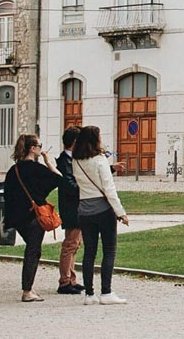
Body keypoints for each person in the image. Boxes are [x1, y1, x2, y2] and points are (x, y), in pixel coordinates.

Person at [69, 125, 130, 305]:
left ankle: (89, 293)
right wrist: (121, 212)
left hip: (84, 208)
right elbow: (108, 188)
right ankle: (106, 292)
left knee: (90, 252)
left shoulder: (76, 161)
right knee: (109, 250)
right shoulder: (100, 159)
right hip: (103, 209)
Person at [2, 134, 65, 302]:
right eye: (39, 145)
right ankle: (27, 290)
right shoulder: (37, 169)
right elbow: (59, 179)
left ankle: (28, 287)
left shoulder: (13, 170)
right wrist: (48, 162)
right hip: (34, 216)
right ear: (32, 148)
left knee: (31, 248)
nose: (40, 148)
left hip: (18, 217)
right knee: (33, 251)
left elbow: (8, 195)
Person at [53, 126, 83, 294]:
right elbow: (69, 185)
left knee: (76, 243)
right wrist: (85, 188)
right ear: (75, 142)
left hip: (76, 207)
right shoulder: (65, 162)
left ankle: (71, 277)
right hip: (72, 208)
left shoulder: (72, 160)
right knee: (70, 244)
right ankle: (65, 281)